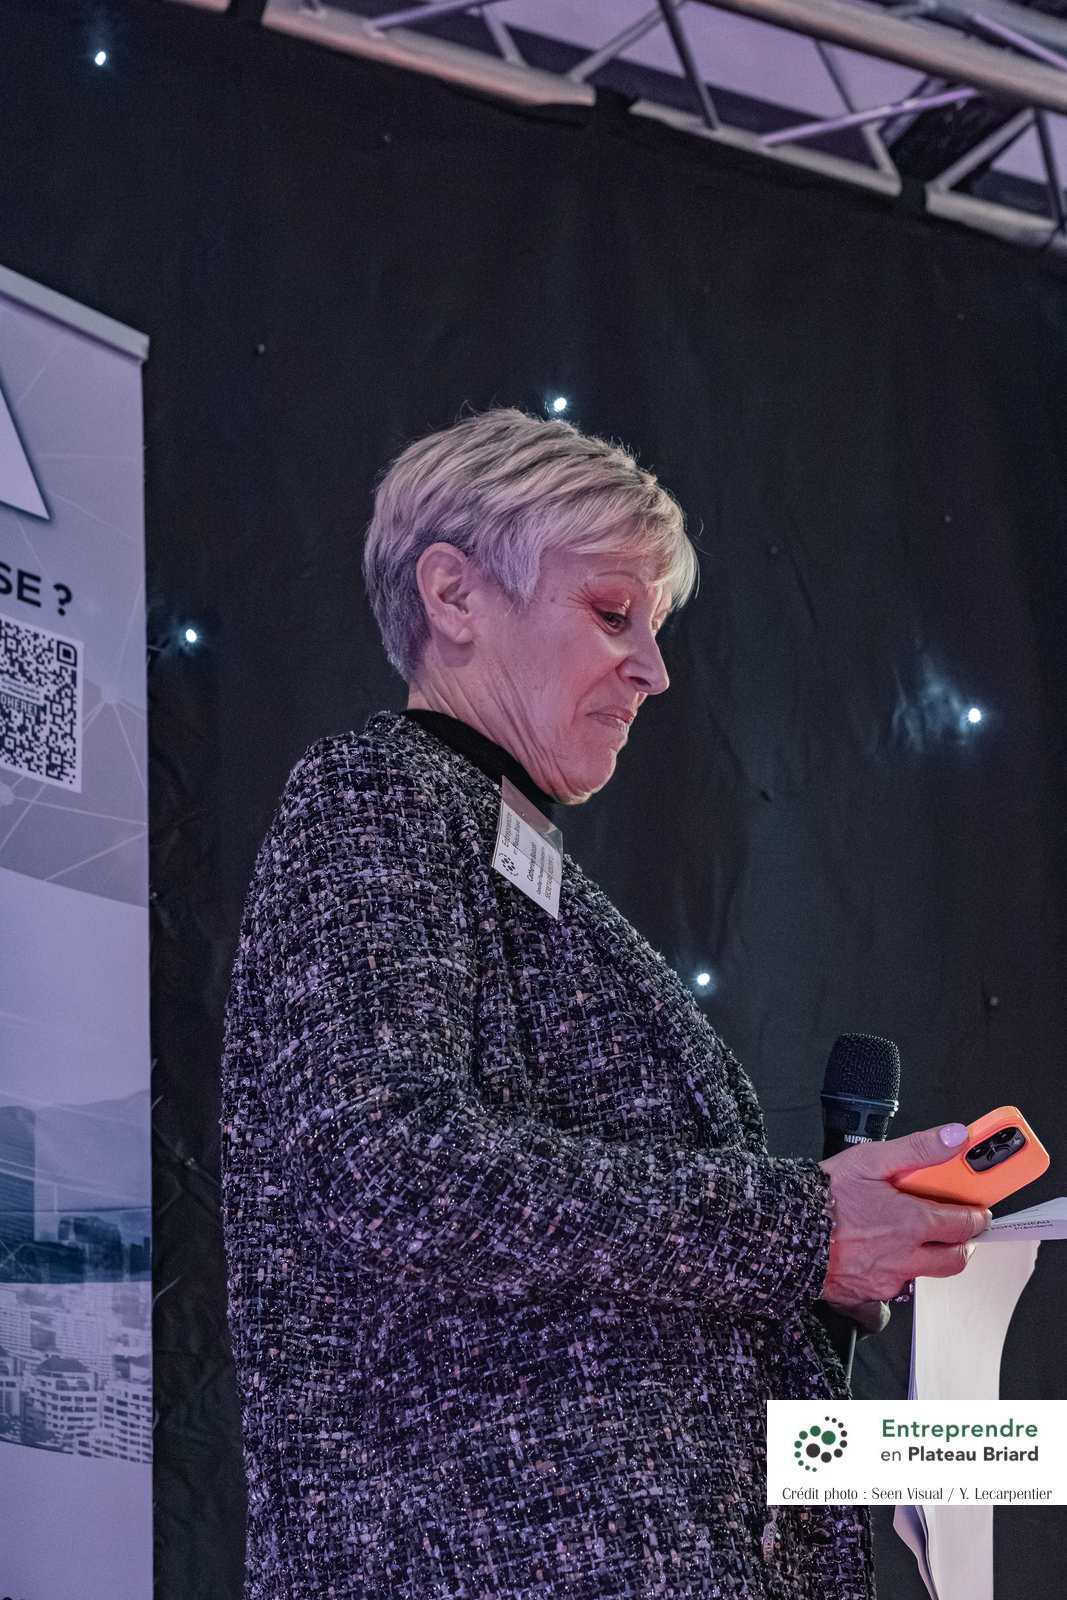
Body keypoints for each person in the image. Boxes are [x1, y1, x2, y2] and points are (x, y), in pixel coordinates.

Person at [221, 409, 990, 1600]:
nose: (653, 669)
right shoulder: (374, 797)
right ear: (454, 595)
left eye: (654, 627)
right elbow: (388, 1168)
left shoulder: (516, 862)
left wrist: (823, 1274)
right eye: (611, 612)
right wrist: (800, 1225)